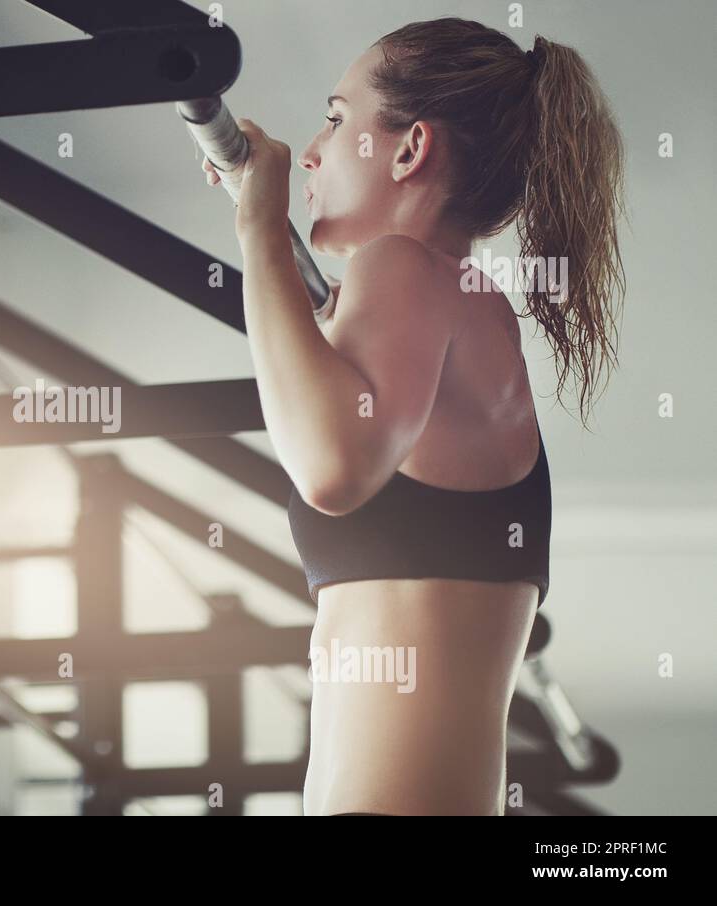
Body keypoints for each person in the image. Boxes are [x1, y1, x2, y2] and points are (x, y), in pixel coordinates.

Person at [202, 17, 625, 815]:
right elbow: (332, 435)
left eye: (334, 116)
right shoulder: (447, 300)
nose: (314, 151)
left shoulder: (408, 270)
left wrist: (258, 226)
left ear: (409, 148)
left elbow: (331, 469)